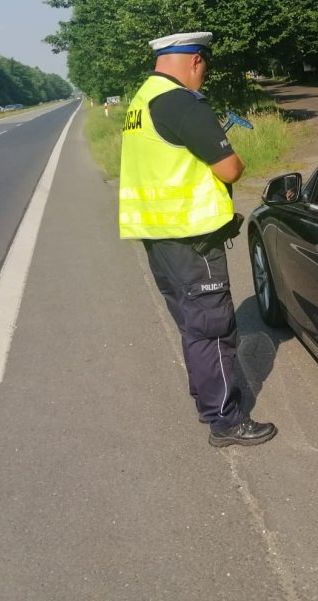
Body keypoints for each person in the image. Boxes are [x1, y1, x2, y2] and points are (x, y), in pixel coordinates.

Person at [119, 31, 277, 448]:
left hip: (160, 237)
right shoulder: (180, 102)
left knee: (193, 324)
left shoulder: (141, 101)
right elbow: (230, 169)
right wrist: (234, 157)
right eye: (204, 67)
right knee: (212, 327)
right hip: (191, 238)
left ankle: (208, 395)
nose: (203, 77)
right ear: (194, 60)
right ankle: (225, 419)